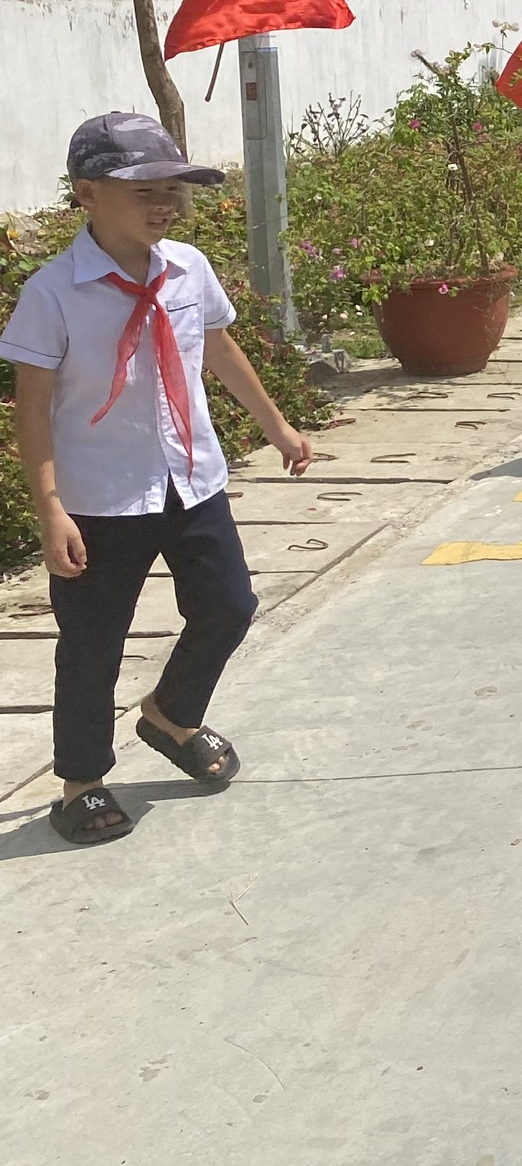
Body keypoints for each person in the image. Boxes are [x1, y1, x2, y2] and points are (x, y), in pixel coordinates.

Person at [0, 114, 316, 846]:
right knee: (94, 643)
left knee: (229, 606)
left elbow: (217, 348)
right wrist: (50, 508)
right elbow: (33, 407)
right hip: (99, 498)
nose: (164, 204)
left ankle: (172, 715)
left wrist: (276, 425)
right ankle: (81, 782)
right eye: (144, 190)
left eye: (173, 189)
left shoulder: (188, 268)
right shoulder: (54, 293)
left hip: (190, 478)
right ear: (87, 193)